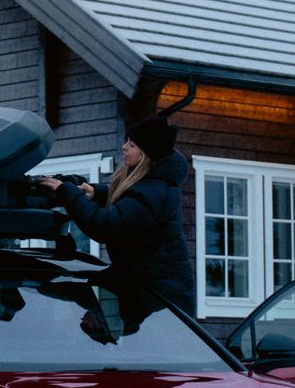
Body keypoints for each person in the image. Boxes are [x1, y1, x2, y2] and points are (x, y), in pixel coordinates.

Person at [36, 116, 193, 312]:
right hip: (147, 287)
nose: (124, 147)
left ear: (146, 155)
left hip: (161, 298)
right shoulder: (153, 185)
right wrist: (98, 193)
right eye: (126, 141)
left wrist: (66, 192)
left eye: (132, 145)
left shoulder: (153, 193)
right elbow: (129, 203)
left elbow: (103, 226)